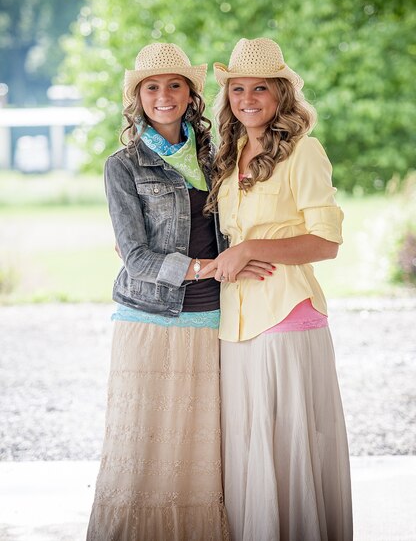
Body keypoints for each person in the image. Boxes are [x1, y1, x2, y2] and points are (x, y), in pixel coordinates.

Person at [86, 42, 270, 541]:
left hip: (214, 318)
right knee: (143, 447)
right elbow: (136, 256)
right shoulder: (122, 166)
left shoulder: (220, 156)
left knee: (198, 448)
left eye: (174, 85)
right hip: (148, 318)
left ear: (190, 95)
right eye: (152, 86)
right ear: (138, 97)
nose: (163, 96)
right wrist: (211, 267)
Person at [201, 37, 353, 541]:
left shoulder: (304, 151)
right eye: (238, 89)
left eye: (260, 88)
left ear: (281, 94)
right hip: (234, 323)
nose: (247, 98)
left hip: (287, 316)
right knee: (249, 448)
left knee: (288, 449)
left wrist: (251, 249)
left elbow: (326, 242)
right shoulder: (231, 153)